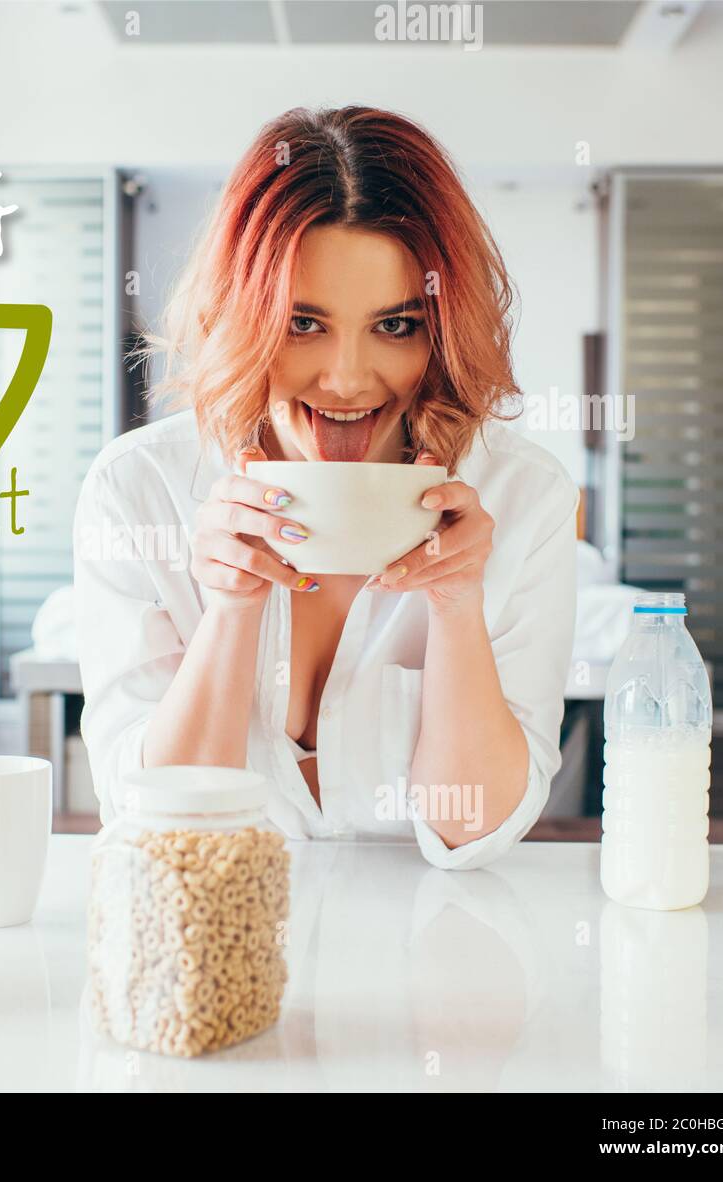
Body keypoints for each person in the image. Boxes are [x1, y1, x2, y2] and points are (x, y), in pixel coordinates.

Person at [73, 106, 578, 869]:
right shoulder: (137, 491)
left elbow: (474, 828)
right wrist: (231, 611)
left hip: (435, 961)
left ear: (443, 329)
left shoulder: (522, 494)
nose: (346, 379)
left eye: (397, 326)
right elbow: (160, 829)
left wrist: (455, 605)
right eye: (303, 324)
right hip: (216, 946)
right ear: (242, 320)